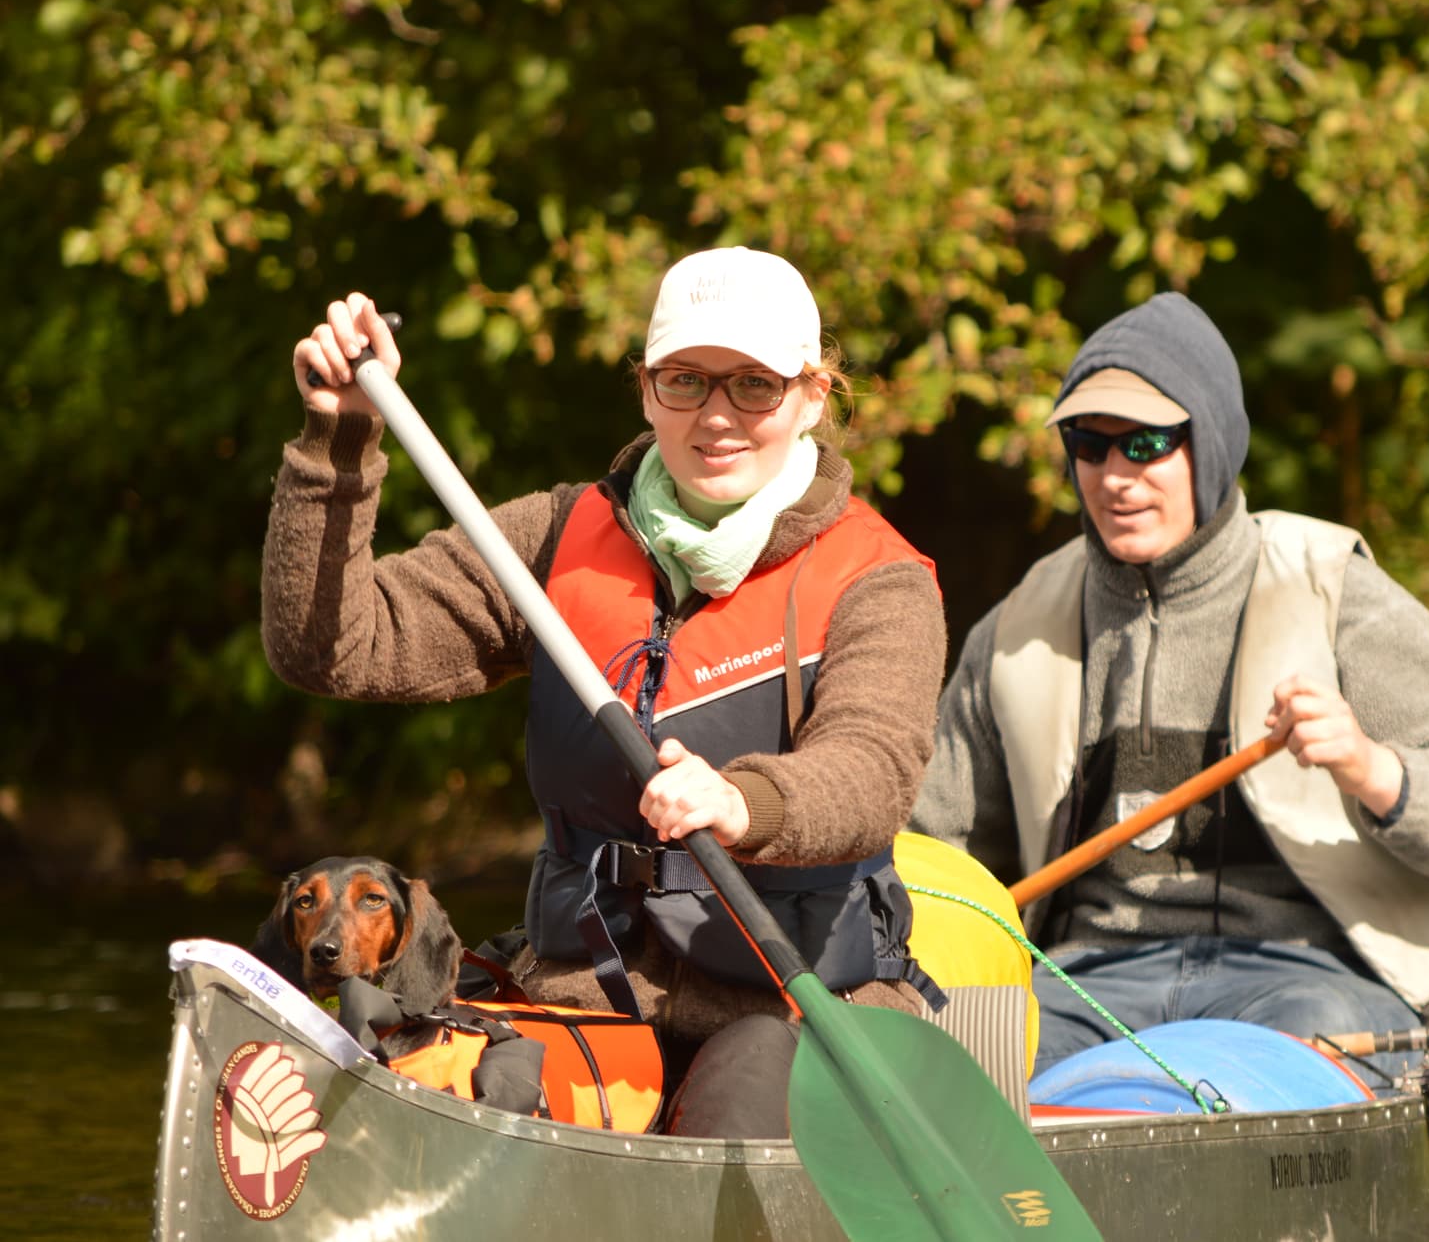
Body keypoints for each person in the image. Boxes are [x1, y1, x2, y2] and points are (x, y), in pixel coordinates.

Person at [264, 246, 948, 1136]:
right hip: (587, 995)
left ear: (813, 396)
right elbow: (331, 646)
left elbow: (873, 770)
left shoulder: (880, 578)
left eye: (755, 386)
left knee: (736, 1093)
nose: (717, 416)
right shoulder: (555, 537)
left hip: (796, 1002)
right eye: (686, 381)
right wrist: (339, 437)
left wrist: (745, 799)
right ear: (646, 389)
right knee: (465, 1083)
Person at [910, 292, 1429, 1083]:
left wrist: (1371, 766)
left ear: (1209, 444)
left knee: (1307, 1034)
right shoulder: (1017, 627)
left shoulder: (1342, 592)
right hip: (1083, 985)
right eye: (1089, 445)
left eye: (1145, 444)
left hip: (1306, 978)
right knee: (953, 1050)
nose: (1115, 476)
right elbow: (929, 852)